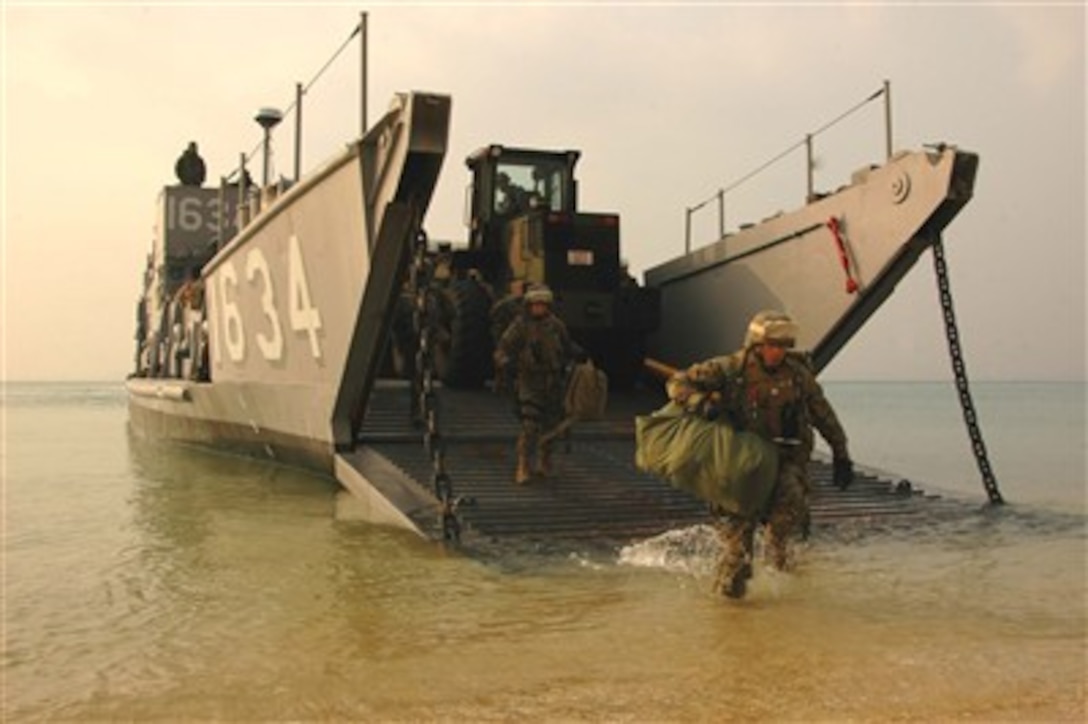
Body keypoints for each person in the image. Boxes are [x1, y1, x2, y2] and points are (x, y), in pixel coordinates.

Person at [666, 309, 854, 598]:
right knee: (737, 555)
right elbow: (677, 382)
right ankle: (729, 613)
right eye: (772, 346)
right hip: (741, 465)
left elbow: (822, 413)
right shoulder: (730, 369)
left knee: (785, 533)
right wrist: (699, 402)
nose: (778, 353)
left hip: (785, 461)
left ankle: (781, 612)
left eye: (783, 347)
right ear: (756, 344)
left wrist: (841, 453)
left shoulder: (798, 375)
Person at [493, 283, 580, 485]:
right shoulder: (521, 326)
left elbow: (567, 346)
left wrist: (577, 354)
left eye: (543, 304)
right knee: (530, 425)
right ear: (529, 305)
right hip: (529, 382)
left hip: (553, 382)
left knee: (552, 425)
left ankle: (544, 461)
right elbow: (502, 349)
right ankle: (523, 464)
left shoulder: (556, 325)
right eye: (536, 304)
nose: (539, 308)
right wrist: (507, 364)